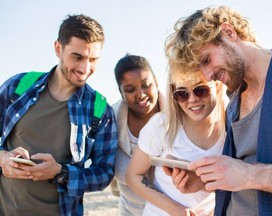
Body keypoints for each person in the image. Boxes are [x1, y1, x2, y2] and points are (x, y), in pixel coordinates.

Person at [165, 5, 272, 215]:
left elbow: (248, 174)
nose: (207, 75)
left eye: (206, 60)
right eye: (199, 69)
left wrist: (252, 175)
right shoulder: (233, 102)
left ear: (228, 33)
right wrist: (205, 181)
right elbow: (242, 178)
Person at [0, 14, 118, 216]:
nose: (85, 68)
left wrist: (61, 173)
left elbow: (104, 173)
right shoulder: (18, 87)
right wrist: (2, 158)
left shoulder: (100, 110)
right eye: (77, 57)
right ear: (58, 49)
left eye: (93, 60)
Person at [126, 66, 228, 215]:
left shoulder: (231, 130)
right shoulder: (162, 125)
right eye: (182, 94)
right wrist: (176, 210)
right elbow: (133, 176)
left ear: (218, 87)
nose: (192, 99)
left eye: (201, 90)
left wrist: (202, 183)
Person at [110, 54, 165, 215]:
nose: (140, 94)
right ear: (121, 93)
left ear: (156, 81)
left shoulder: (178, 111)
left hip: (171, 209)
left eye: (146, 85)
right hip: (131, 209)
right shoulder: (112, 119)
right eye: (130, 89)